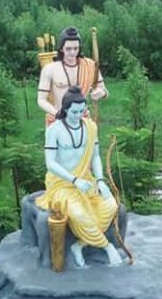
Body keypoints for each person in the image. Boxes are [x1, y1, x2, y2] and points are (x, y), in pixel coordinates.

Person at [36, 86, 121, 267]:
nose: (78, 115)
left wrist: (100, 180)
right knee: (80, 215)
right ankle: (107, 247)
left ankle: (79, 245)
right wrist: (74, 180)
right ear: (65, 109)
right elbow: (50, 164)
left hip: (86, 180)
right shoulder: (54, 130)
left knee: (111, 205)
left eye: (82, 111)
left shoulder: (90, 127)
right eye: (74, 112)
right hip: (62, 185)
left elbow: (95, 156)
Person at [37, 27, 108, 126]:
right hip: (58, 121)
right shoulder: (50, 69)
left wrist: (101, 93)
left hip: (83, 120)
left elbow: (104, 91)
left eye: (76, 48)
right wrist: (57, 113)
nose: (72, 52)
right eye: (68, 49)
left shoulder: (90, 66)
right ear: (61, 48)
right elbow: (41, 100)